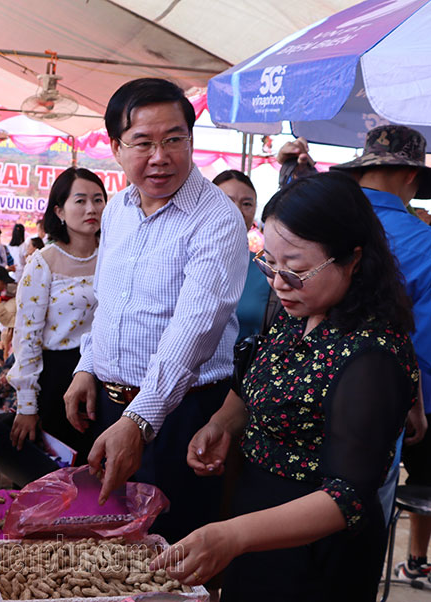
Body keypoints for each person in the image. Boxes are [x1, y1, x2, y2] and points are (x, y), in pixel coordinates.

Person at [153, 171, 419, 601]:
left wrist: (234, 535)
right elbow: (256, 382)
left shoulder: (372, 357)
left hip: (314, 551)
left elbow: (346, 496)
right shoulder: (298, 313)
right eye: (270, 264)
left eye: (294, 270)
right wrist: (223, 423)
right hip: (255, 524)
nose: (278, 282)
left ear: (353, 259)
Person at [64, 77, 248, 544]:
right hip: (113, 407)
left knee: (171, 553)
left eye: (174, 140)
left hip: (182, 416)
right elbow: (110, 301)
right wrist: (88, 366)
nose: (160, 157)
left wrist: (140, 419)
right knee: (109, 548)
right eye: (143, 143)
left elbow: (194, 330)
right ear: (116, 147)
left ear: (191, 140)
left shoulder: (217, 219)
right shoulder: (119, 208)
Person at [279, 127, 431, 581]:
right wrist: (415, 401)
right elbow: (421, 342)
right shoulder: (424, 243)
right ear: (409, 176)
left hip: (289, 396)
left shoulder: (321, 223)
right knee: (351, 526)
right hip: (375, 410)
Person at [8, 167, 105, 460]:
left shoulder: (114, 256)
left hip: (104, 374)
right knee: (58, 471)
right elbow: (27, 334)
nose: (91, 208)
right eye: (80, 200)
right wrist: (27, 405)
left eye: (98, 199)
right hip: (56, 375)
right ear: (59, 211)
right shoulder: (44, 262)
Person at [213, 170, 273, 341]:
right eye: (226, 201)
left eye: (246, 204)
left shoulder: (266, 271)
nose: (237, 211)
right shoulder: (179, 260)